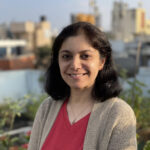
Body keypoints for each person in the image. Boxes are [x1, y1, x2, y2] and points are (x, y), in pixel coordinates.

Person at [28, 22, 137, 150]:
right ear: (58, 61)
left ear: (102, 61)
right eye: (66, 56)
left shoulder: (118, 114)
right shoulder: (47, 108)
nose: (75, 65)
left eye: (85, 56)